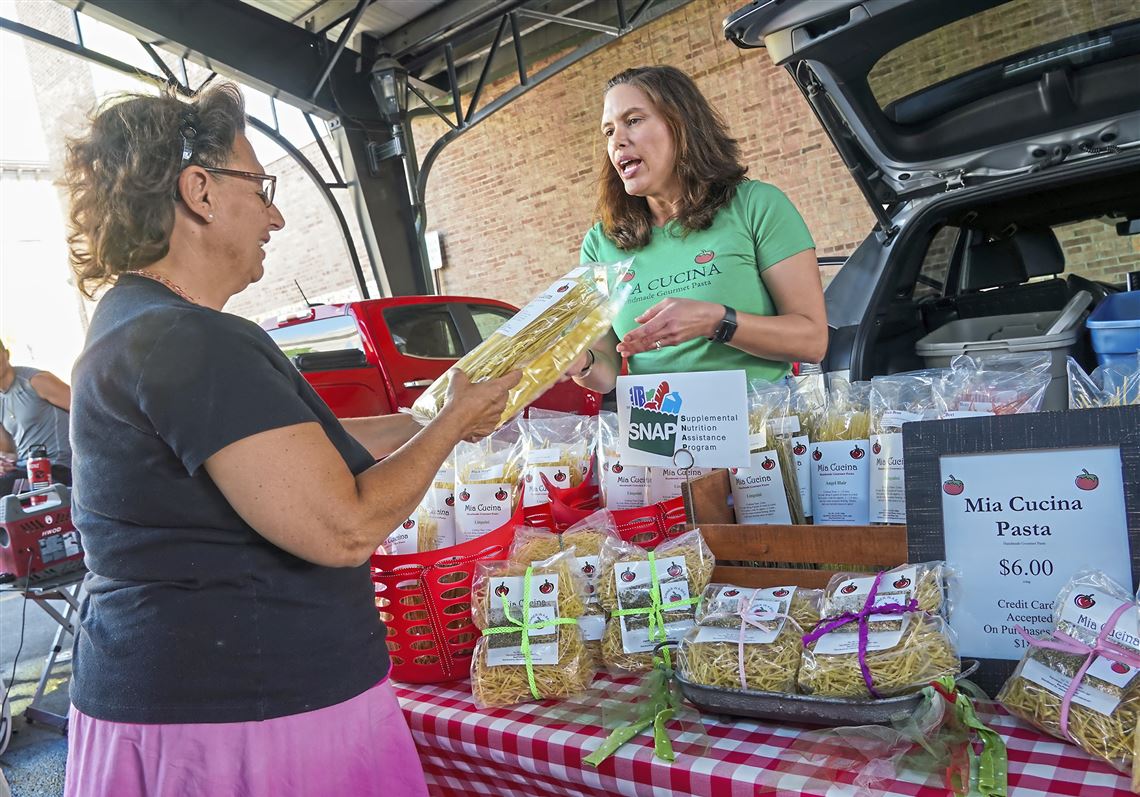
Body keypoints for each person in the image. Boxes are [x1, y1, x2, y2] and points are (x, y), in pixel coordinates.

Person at [61, 83, 519, 797]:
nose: (275, 215)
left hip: (188, 701)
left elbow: (300, 448)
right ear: (200, 191)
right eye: (261, 186)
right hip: (244, 716)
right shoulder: (190, 339)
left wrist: (438, 412)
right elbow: (343, 525)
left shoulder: (139, 324)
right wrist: (453, 427)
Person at [566, 66, 828, 392]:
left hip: (758, 426)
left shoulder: (757, 205)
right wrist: (581, 362)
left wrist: (717, 322)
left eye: (633, 121)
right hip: (658, 431)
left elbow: (812, 341)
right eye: (608, 131)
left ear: (681, 125)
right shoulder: (599, 243)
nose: (618, 141)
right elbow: (605, 372)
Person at [0, 338, 73, 494]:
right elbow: (9, 452)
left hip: (58, 469)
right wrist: (3, 461)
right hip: (24, 469)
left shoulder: (37, 381)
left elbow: (87, 410)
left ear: (6, 354)